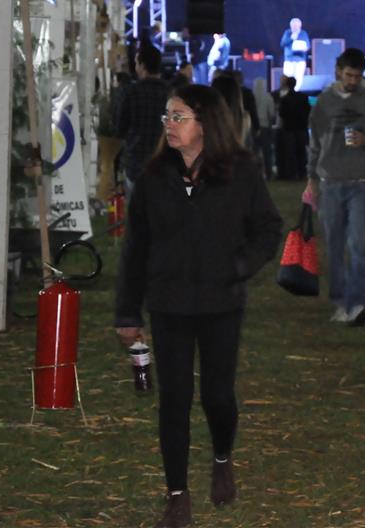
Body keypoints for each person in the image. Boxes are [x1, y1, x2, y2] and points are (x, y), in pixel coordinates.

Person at [114, 84, 282, 528]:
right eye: (167, 117)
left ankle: (223, 456)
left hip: (220, 301)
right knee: (174, 399)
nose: (169, 125)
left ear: (205, 123)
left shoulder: (241, 171)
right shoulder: (152, 178)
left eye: (179, 117)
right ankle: (176, 494)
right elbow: (134, 250)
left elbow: (268, 228)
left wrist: (240, 264)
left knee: (217, 396)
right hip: (168, 303)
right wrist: (128, 314)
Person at [307, 48, 365, 326]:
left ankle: (359, 303)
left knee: (358, 244)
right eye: (349, 75)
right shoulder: (324, 102)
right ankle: (340, 301)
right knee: (333, 245)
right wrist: (312, 178)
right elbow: (315, 142)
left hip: (360, 181)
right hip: (331, 180)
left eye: (357, 76)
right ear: (338, 71)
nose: (353, 81)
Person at [115, 44, 170, 195]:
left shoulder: (131, 92)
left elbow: (120, 129)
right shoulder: (172, 94)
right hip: (164, 166)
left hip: (135, 164)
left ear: (142, 66)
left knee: (135, 213)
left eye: (137, 63)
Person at [275, 75, 309, 180]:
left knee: (291, 152)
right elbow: (308, 110)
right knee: (301, 151)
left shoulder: (285, 99)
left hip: (289, 128)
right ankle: (302, 172)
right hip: (301, 127)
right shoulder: (303, 97)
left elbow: (281, 113)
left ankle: (292, 174)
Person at [251, 77, 276, 179]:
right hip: (265, 126)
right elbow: (271, 113)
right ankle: (269, 173)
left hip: (253, 128)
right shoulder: (268, 98)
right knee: (267, 152)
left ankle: (255, 174)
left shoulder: (252, 97)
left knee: (254, 152)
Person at [280, 18, 310, 83]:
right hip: (289, 60)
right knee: (287, 80)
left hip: (300, 60)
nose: (295, 27)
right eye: (293, 26)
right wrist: (291, 38)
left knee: (299, 80)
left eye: (296, 26)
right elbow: (282, 44)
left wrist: (305, 48)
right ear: (291, 26)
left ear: (300, 26)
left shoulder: (303, 33)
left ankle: (297, 92)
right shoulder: (287, 33)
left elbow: (307, 45)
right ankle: (288, 92)